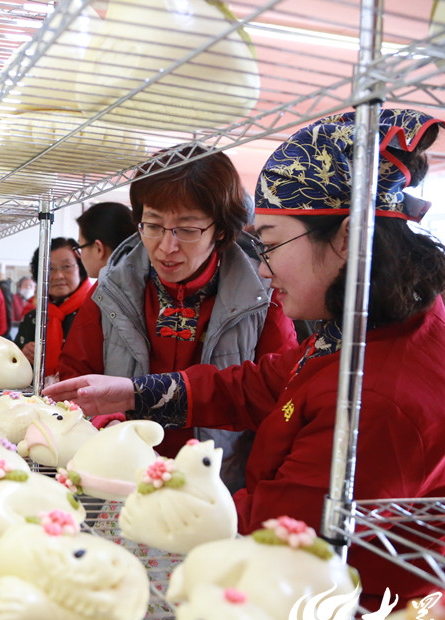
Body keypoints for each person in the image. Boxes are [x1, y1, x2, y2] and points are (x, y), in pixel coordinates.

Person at [45, 109, 445, 610]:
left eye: (270, 245)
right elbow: (269, 382)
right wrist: (138, 393)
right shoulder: (369, 325)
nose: (264, 268)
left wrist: (144, 496)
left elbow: (283, 524)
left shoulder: (383, 395)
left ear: (345, 240)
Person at [57, 148, 298, 490]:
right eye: (153, 225)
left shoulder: (261, 300)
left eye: (186, 230)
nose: (166, 247)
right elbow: (75, 379)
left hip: (215, 490)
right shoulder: (111, 292)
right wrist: (101, 421)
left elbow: (280, 402)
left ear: (219, 230)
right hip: (123, 482)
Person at [14, 238, 93, 377]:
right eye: (49, 269)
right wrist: (22, 355)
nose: (58, 276)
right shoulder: (33, 317)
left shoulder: (95, 312)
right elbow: (12, 365)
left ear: (81, 268)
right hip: (36, 398)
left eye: (66, 266)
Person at [74, 201, 138, 279]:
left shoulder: (110, 289)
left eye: (80, 247)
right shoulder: (144, 281)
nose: (80, 256)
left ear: (98, 249)